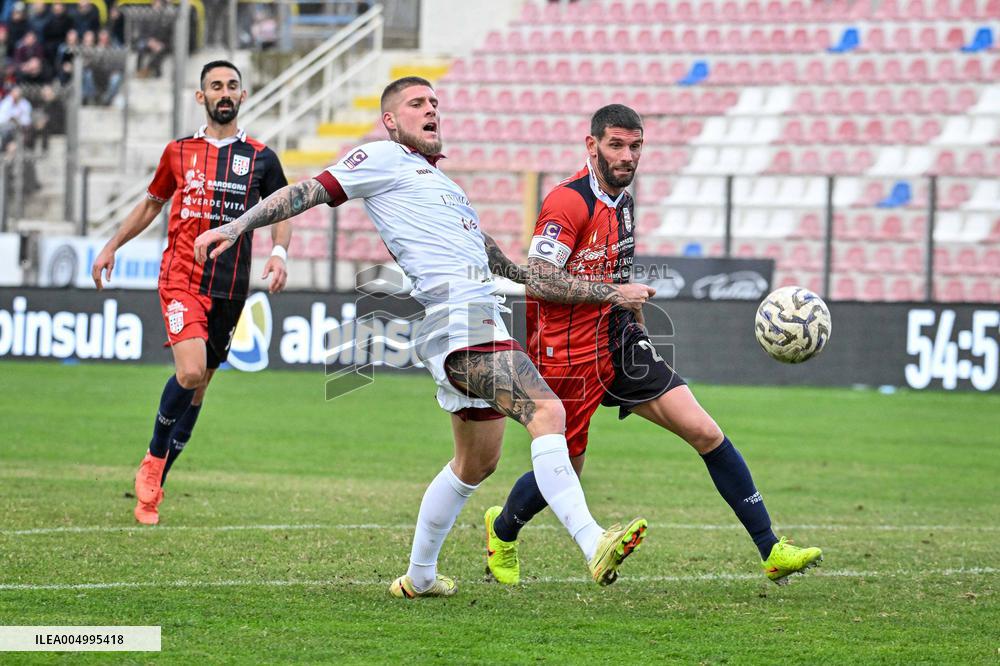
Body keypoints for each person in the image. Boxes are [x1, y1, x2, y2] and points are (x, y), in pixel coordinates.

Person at [192, 77, 649, 598]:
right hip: (459, 320)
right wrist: (237, 228)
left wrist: (535, 280)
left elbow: (488, 252)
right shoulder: (381, 159)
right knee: (547, 412)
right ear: (390, 121)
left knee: (476, 463)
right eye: (417, 103)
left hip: (479, 318)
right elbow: (307, 191)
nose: (432, 108)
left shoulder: (444, 186)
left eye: (434, 101)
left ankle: (420, 577)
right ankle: (593, 544)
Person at [483, 104, 824, 587]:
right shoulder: (567, 202)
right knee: (568, 469)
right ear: (592, 145)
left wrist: (631, 313)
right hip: (566, 351)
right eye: (616, 145)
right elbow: (539, 279)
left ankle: (772, 549)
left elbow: (612, 273)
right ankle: (502, 530)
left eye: (635, 146)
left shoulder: (623, 200)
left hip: (617, 338)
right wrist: (612, 293)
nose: (627, 156)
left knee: (705, 432)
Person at [91, 60, 293, 525]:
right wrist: (111, 245)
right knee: (190, 372)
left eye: (232, 85)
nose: (225, 92)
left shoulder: (261, 157)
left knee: (199, 389)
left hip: (230, 288)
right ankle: (153, 459)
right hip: (181, 279)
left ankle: (154, 486)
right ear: (200, 97)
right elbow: (150, 205)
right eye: (215, 86)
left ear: (242, 96)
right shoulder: (178, 152)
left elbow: (283, 207)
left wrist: (279, 252)